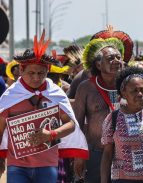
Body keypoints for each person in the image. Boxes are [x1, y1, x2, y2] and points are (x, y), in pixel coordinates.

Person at [0, 31, 88, 183]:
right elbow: (0, 129)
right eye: (31, 73)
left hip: (48, 165)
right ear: (21, 70)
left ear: (48, 71)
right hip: (17, 166)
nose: (36, 78)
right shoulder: (11, 96)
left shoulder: (55, 93)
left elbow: (71, 124)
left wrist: (51, 134)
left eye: (41, 73)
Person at [74, 30, 132, 182]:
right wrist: (79, 155)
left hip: (125, 152)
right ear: (98, 64)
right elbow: (77, 123)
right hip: (95, 152)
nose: (116, 61)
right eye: (110, 58)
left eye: (118, 57)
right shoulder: (86, 88)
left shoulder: (131, 87)